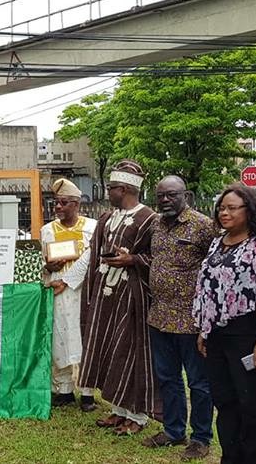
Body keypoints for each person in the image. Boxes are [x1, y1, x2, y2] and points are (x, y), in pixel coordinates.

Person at [192, 183, 256, 464]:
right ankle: (230, 457)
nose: (224, 213)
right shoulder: (218, 241)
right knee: (225, 401)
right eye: (221, 208)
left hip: (248, 333)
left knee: (254, 405)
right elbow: (208, 288)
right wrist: (204, 330)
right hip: (216, 335)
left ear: (250, 210)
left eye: (231, 208)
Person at [80, 160, 158, 435]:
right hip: (106, 295)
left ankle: (137, 416)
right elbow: (94, 253)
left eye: (111, 187)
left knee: (129, 351)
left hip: (131, 297)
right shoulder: (107, 217)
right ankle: (118, 410)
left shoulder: (149, 218)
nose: (107, 192)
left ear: (123, 189)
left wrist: (132, 259)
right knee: (111, 349)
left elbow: (158, 258)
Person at [143, 176, 217, 460]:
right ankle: (173, 431)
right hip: (159, 316)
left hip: (190, 320)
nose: (165, 200)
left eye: (171, 195)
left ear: (186, 195)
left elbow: (215, 266)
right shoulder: (156, 224)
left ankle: (200, 437)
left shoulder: (202, 225)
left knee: (198, 383)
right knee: (167, 378)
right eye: (160, 195)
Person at [40, 178, 96, 410]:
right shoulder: (46, 231)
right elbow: (40, 262)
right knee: (60, 339)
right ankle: (63, 390)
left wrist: (69, 279)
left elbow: (94, 261)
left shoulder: (92, 228)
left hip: (84, 292)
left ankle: (87, 393)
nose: (58, 207)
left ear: (76, 204)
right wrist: (47, 268)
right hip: (58, 293)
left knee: (86, 340)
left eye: (63, 203)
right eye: (56, 202)